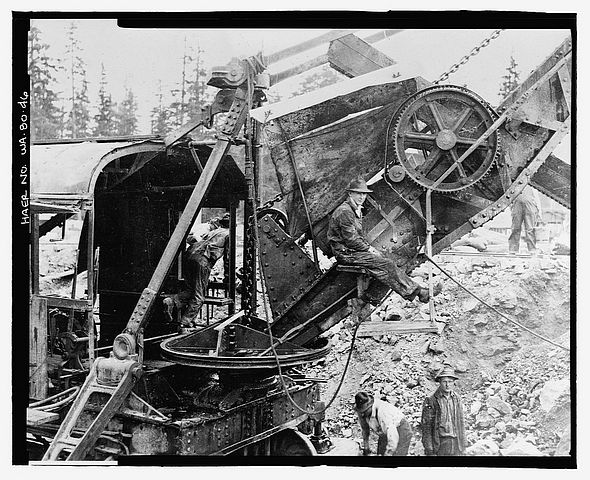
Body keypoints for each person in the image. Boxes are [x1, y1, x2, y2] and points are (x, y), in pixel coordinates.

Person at [327, 177, 440, 304]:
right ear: (350, 193)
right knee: (387, 264)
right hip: (347, 254)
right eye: (358, 193)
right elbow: (351, 239)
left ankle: (374, 294)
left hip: (352, 251)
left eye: (364, 193)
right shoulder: (345, 212)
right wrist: (370, 249)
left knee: (385, 262)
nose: (362, 197)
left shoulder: (353, 209)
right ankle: (419, 292)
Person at [164, 212, 230, 328]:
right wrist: (228, 277)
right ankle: (185, 323)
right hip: (202, 261)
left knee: (191, 289)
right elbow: (228, 258)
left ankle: (172, 301)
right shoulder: (228, 234)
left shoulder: (213, 231)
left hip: (189, 256)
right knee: (199, 296)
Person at [421, 366, 466, 456]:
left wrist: (463, 444)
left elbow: (461, 422)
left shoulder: (457, 399)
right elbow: (427, 426)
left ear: (454, 383)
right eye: (444, 382)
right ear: (440, 382)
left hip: (456, 442)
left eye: (450, 382)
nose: (447, 385)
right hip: (440, 442)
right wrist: (429, 449)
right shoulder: (431, 400)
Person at [354, 391, 413, 456]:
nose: (362, 415)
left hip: (401, 430)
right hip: (384, 432)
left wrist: (388, 453)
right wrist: (366, 447)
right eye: (361, 412)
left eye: (364, 412)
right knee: (380, 454)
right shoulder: (362, 412)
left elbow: (393, 437)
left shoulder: (383, 412)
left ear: (370, 406)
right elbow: (365, 429)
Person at [509, 186, 542, 254]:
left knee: (530, 229)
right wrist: (511, 207)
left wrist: (539, 212)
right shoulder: (515, 184)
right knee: (515, 228)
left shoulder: (532, 185)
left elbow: (536, 197)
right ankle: (513, 249)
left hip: (530, 206)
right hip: (517, 206)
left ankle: (532, 249)